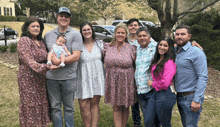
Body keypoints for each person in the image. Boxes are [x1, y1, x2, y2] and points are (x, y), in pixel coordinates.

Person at [44, 7, 83, 127]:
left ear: (70, 19)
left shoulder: (76, 34)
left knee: (69, 108)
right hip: (52, 78)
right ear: (57, 17)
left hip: (69, 77)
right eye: (61, 15)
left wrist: (57, 63)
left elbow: (76, 56)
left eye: (66, 16)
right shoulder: (48, 35)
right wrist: (51, 63)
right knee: (55, 107)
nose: (64, 18)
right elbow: (46, 54)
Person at [17, 16, 58, 126]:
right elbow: (29, 61)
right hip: (28, 78)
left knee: (41, 102)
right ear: (27, 28)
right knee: (30, 104)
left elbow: (47, 57)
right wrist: (47, 67)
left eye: (38, 26)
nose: (36, 28)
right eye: (33, 26)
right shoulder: (24, 41)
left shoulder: (41, 42)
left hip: (40, 78)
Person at [174, 24, 208, 127]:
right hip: (180, 96)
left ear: (189, 36)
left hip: (191, 97)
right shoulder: (175, 51)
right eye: (177, 34)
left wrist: (196, 99)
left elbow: (203, 76)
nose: (179, 36)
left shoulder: (196, 52)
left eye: (183, 34)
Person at [103, 23, 136, 127]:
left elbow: (136, 65)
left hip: (127, 80)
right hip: (112, 80)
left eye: (123, 33)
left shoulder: (131, 48)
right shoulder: (107, 47)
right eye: (118, 32)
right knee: (116, 106)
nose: (120, 35)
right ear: (115, 33)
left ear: (126, 34)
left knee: (125, 106)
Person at [75, 22, 105, 127]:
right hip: (83, 77)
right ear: (81, 32)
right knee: (83, 104)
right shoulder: (78, 45)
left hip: (97, 76)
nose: (87, 32)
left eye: (88, 29)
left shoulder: (99, 43)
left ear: (92, 30)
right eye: (84, 30)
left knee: (94, 103)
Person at [148, 37, 177, 126]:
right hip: (155, 93)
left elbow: (165, 83)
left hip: (166, 94)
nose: (162, 47)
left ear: (169, 48)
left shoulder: (169, 62)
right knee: (149, 120)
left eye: (165, 46)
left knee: (164, 123)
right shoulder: (157, 59)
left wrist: (152, 83)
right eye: (160, 45)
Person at [135, 27, 160, 127]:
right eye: (139, 36)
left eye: (144, 35)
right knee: (147, 117)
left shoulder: (155, 48)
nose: (142, 38)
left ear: (149, 37)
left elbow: (169, 46)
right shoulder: (137, 50)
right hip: (140, 90)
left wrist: (192, 43)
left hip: (151, 89)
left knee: (150, 119)